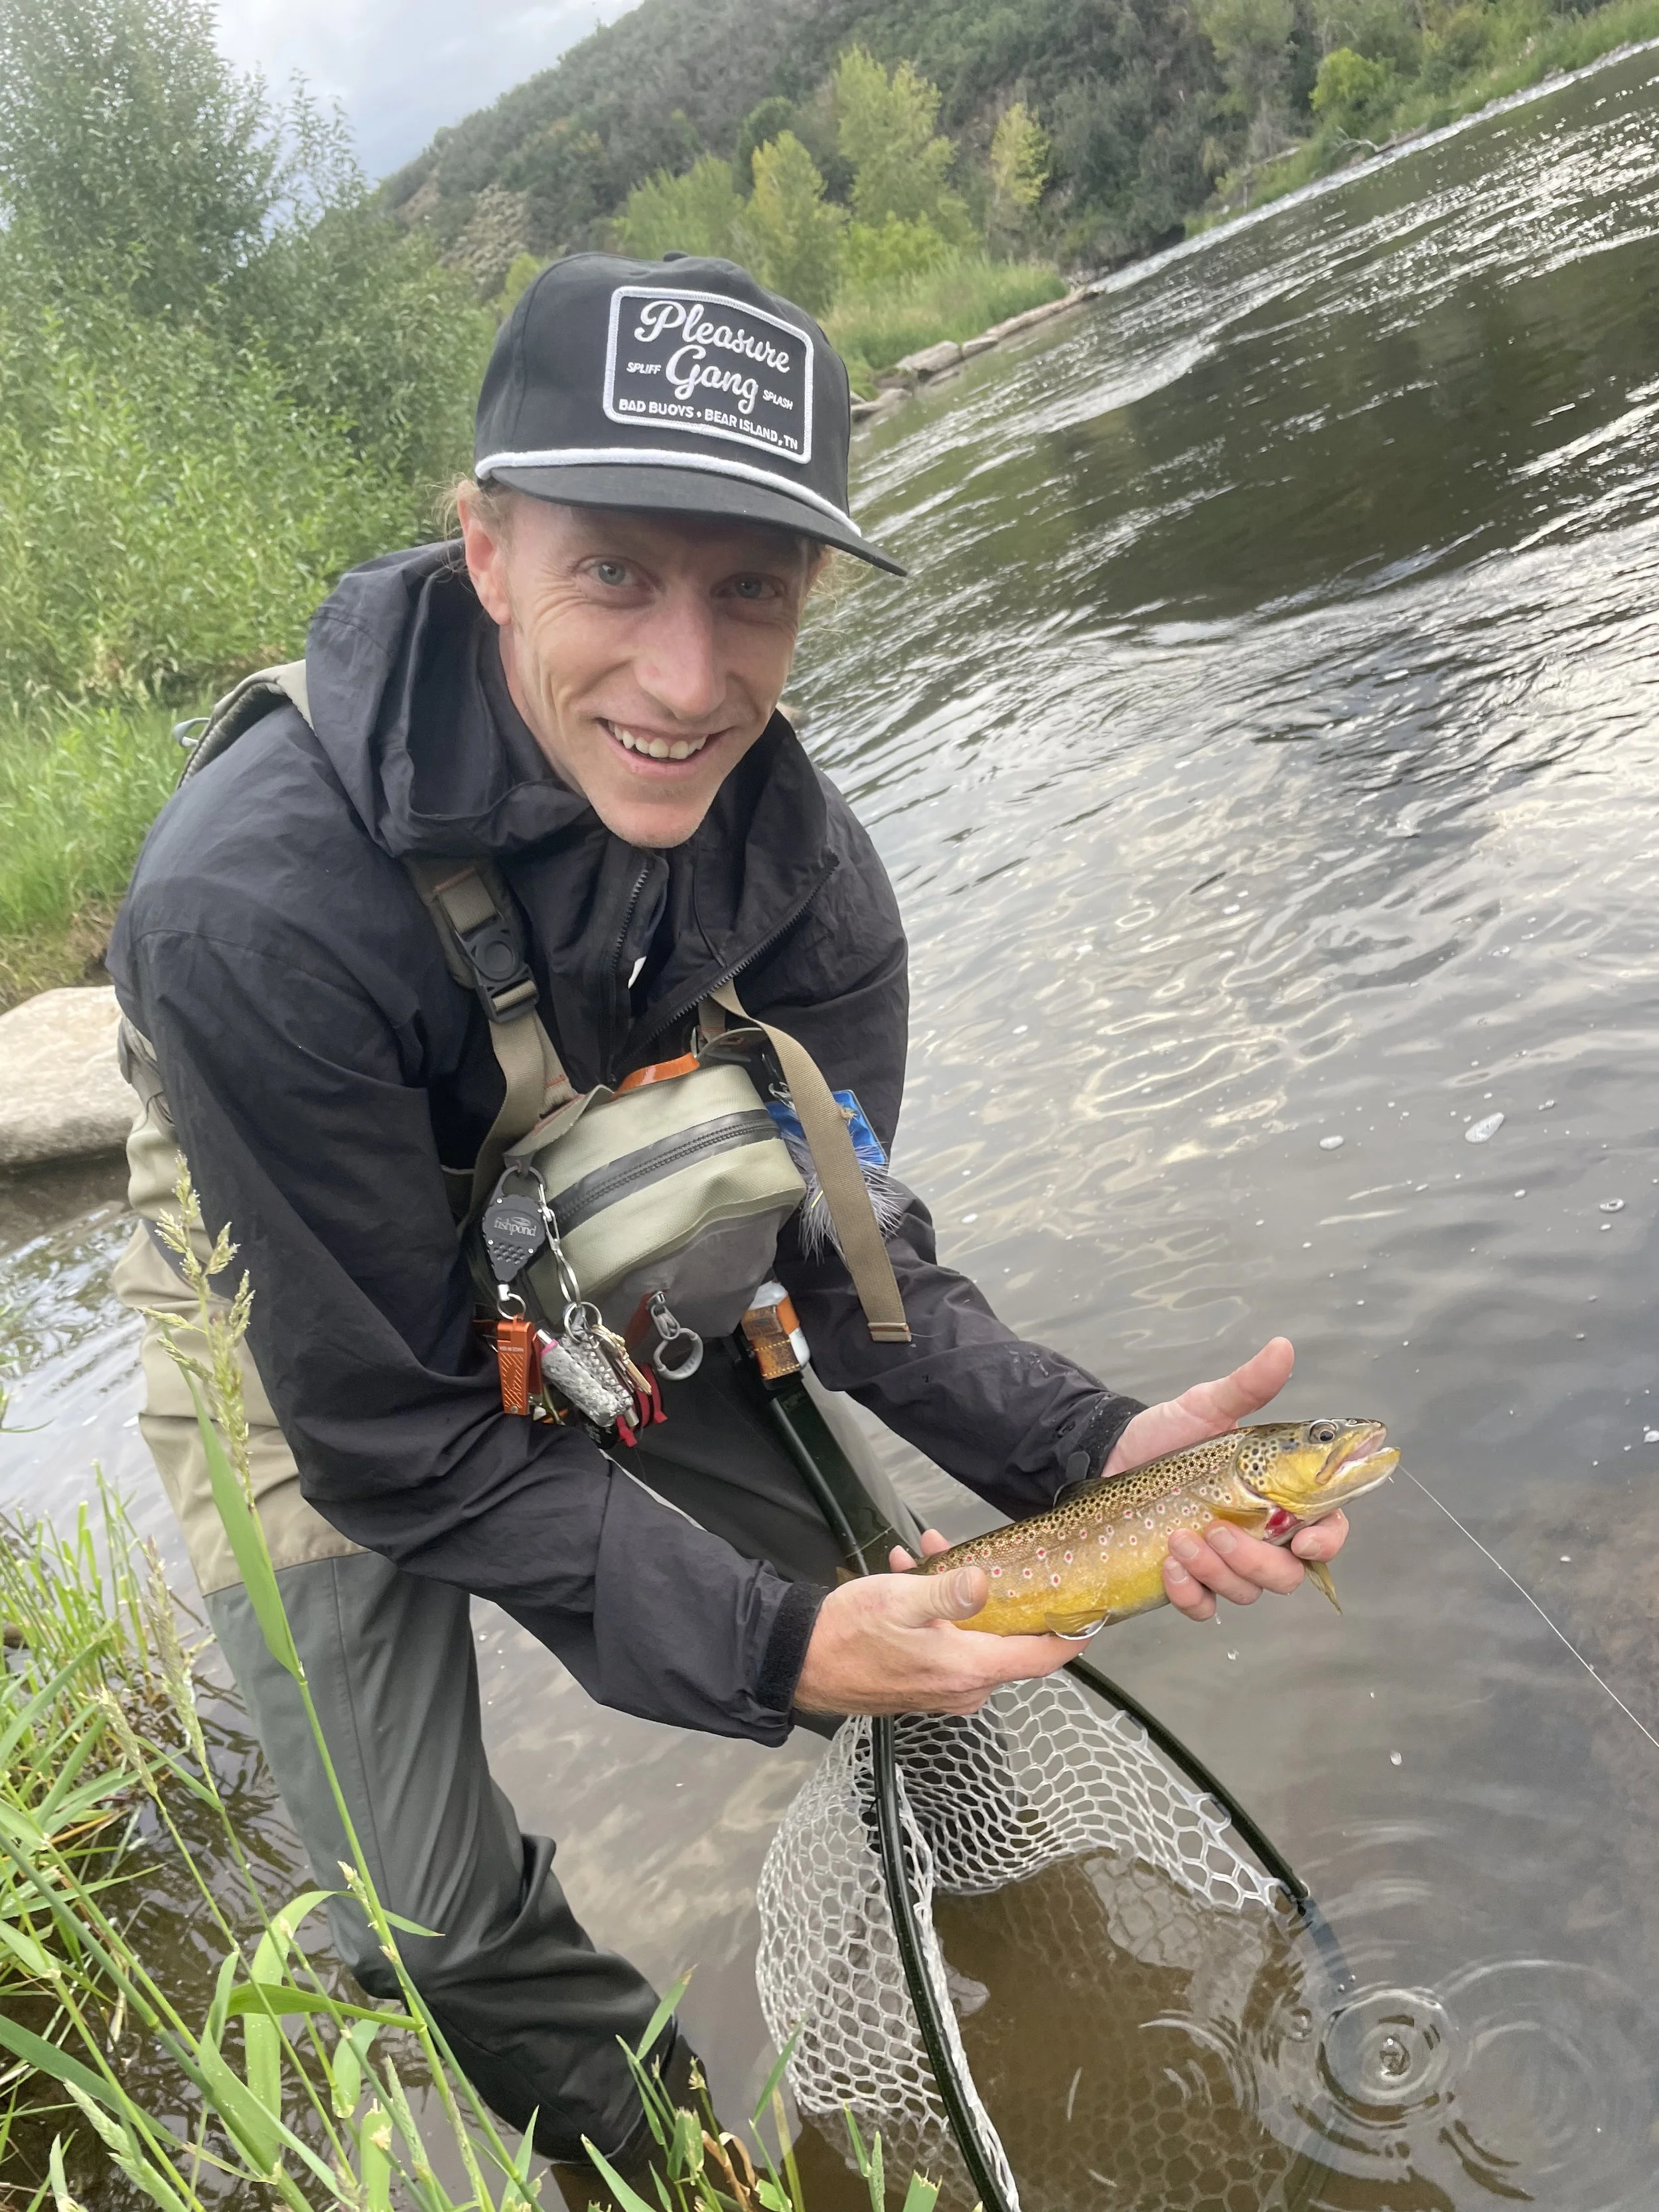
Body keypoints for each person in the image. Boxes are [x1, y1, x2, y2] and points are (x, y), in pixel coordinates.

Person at [107, 252, 1348, 2187]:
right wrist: (771, 1644)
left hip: (613, 1245)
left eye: (749, 587)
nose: (687, 680)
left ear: (812, 593)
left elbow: (844, 1270)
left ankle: (1013, 1932)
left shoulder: (805, 881)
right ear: (486, 544)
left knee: (925, 1624)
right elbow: (397, 1436)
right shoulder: (249, 907)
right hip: (315, 1323)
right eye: (614, 569)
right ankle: (684, 2160)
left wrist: (1094, 1447)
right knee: (420, 1924)